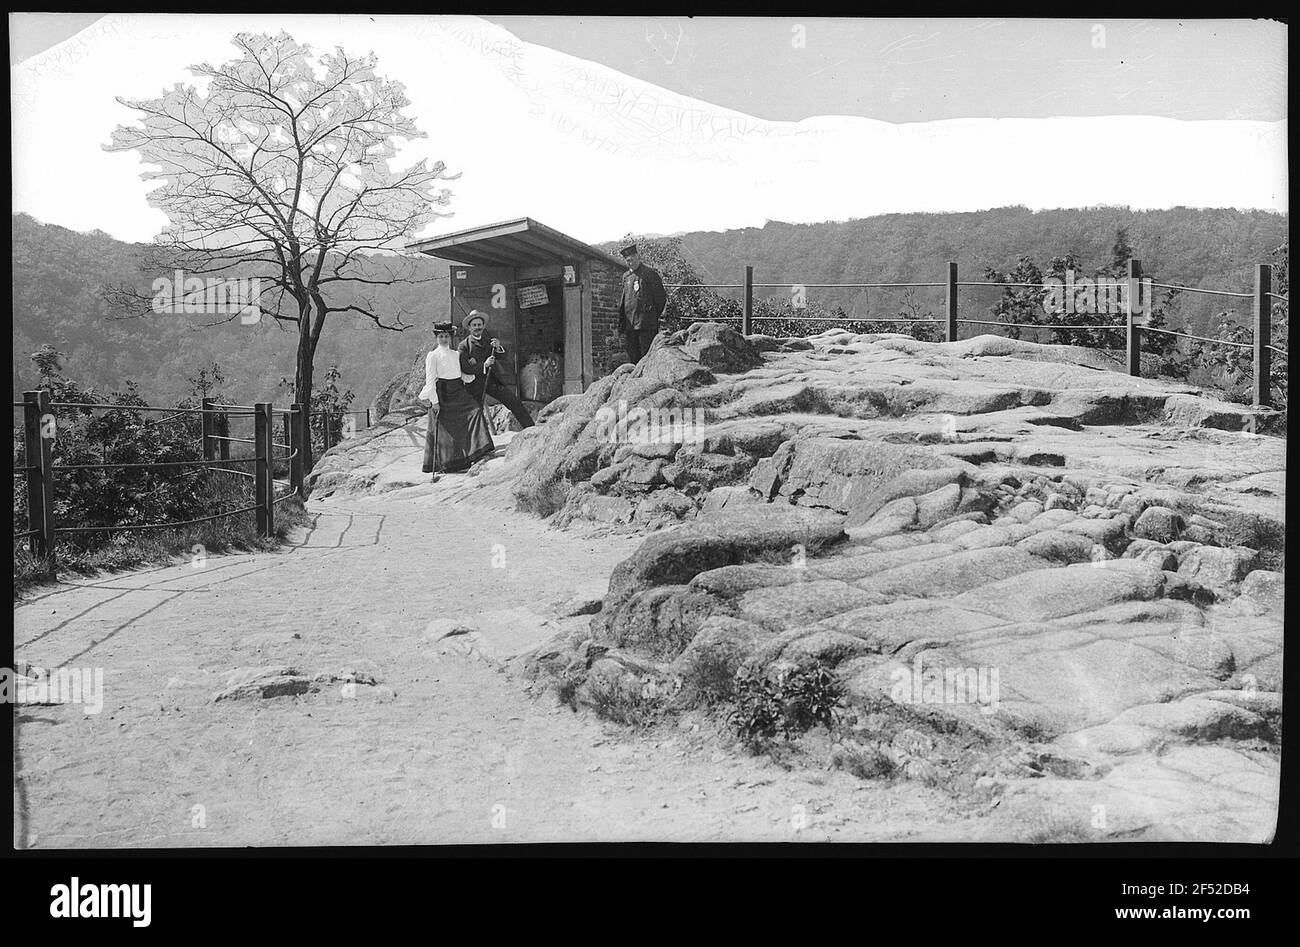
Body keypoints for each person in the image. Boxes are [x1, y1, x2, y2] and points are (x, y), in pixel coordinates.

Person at [419, 322, 495, 480]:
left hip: (459, 391)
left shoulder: (456, 354)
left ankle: (479, 450)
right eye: (441, 336)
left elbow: (462, 374)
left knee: (475, 411)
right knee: (445, 428)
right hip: (443, 393)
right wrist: (435, 401)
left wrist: (480, 370)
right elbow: (430, 380)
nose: (444, 339)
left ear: (451, 337)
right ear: (436, 338)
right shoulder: (432, 356)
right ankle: (448, 463)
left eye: (447, 336)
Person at [457, 309, 535, 429]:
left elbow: (503, 357)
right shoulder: (464, 346)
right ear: (469, 327)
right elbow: (465, 368)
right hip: (474, 385)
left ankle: (530, 428)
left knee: (513, 401)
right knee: (474, 413)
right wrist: (484, 365)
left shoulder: (489, 342)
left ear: (483, 326)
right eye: (474, 325)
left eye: (479, 325)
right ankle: (478, 445)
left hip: (491, 381)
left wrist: (498, 347)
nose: (477, 327)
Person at [617, 244, 667, 365]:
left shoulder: (649, 274)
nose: (630, 263)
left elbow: (660, 298)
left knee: (648, 357)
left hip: (646, 325)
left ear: (638, 257)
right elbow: (624, 301)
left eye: (632, 259)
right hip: (631, 325)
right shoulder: (626, 277)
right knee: (634, 357)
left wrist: (652, 316)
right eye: (628, 260)